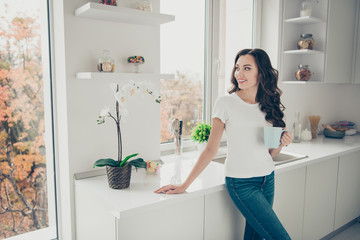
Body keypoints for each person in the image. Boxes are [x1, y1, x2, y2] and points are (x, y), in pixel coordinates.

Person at [154, 48, 293, 240]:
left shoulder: (268, 105)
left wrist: (282, 143)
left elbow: (270, 154)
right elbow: (211, 149)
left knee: (255, 237)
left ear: (261, 72)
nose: (239, 74)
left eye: (246, 68)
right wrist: (184, 184)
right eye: (237, 68)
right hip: (242, 183)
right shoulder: (226, 103)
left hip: (267, 178)